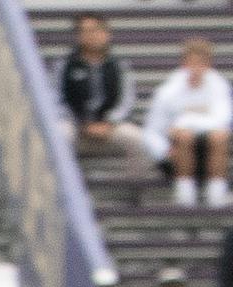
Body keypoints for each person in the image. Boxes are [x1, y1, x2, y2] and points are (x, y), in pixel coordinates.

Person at [54, 13, 155, 179]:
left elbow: (126, 100)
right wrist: (82, 122)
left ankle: (133, 193)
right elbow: (58, 100)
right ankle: (64, 189)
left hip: (110, 128)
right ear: (78, 36)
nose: (92, 35)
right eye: (86, 31)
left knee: (137, 138)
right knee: (60, 135)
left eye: (96, 30)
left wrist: (110, 122)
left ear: (106, 33)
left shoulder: (118, 66)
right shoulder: (66, 66)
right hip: (77, 127)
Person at [143, 37, 233, 208]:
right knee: (185, 137)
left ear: (208, 65)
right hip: (176, 153)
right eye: (193, 62)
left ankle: (216, 195)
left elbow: (223, 121)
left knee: (218, 136)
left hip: (211, 149)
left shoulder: (219, 87)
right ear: (184, 64)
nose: (196, 68)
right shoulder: (168, 91)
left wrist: (186, 122)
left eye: (202, 63)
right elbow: (152, 130)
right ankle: (185, 196)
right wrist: (164, 151)